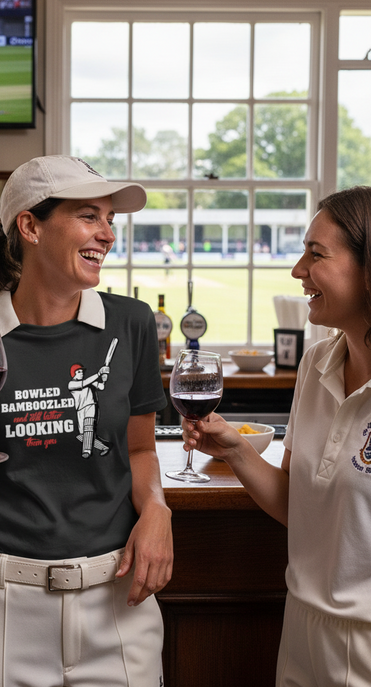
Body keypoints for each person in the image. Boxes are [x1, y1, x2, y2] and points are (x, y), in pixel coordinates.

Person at [0, 155, 174, 687]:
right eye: (88, 216)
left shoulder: (132, 322)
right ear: (30, 226)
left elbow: (142, 449)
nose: (106, 234)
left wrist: (156, 510)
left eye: (109, 220)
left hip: (117, 599)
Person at [182, 185, 371, 687]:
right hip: (304, 628)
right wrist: (238, 451)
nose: (297, 270)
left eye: (316, 254)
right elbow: (299, 506)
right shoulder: (316, 363)